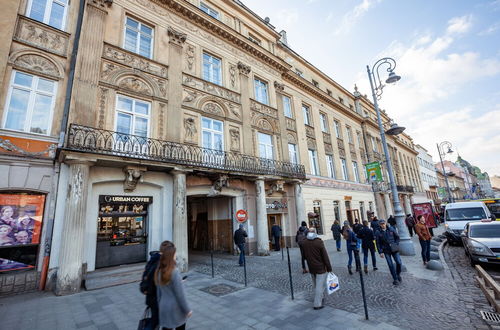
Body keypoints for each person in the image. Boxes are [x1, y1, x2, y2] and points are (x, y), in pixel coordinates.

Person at [155, 241, 192, 330]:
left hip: (163, 307)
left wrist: (159, 306)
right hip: (175, 309)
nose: (176, 255)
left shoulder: (159, 271)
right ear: (171, 256)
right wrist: (187, 310)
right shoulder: (174, 271)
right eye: (175, 254)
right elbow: (180, 295)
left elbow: (159, 292)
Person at [301, 227, 332, 310]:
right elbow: (325, 256)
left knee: (316, 284)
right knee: (319, 286)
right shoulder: (319, 242)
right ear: (315, 232)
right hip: (320, 267)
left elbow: (303, 256)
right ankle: (317, 304)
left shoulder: (304, 242)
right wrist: (329, 268)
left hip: (311, 266)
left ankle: (320, 297)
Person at [140, 247, 164, 330]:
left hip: (150, 297)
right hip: (155, 298)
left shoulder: (151, 262)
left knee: (155, 320)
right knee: (154, 321)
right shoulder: (158, 265)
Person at [375, 220, 403, 285]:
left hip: (394, 249)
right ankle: (395, 278)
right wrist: (380, 252)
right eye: (381, 224)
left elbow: (397, 237)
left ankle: (398, 274)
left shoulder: (391, 229)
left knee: (398, 262)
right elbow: (378, 243)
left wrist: (396, 244)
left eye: (383, 224)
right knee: (390, 265)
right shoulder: (378, 232)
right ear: (379, 225)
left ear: (385, 223)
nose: (383, 225)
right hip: (386, 250)